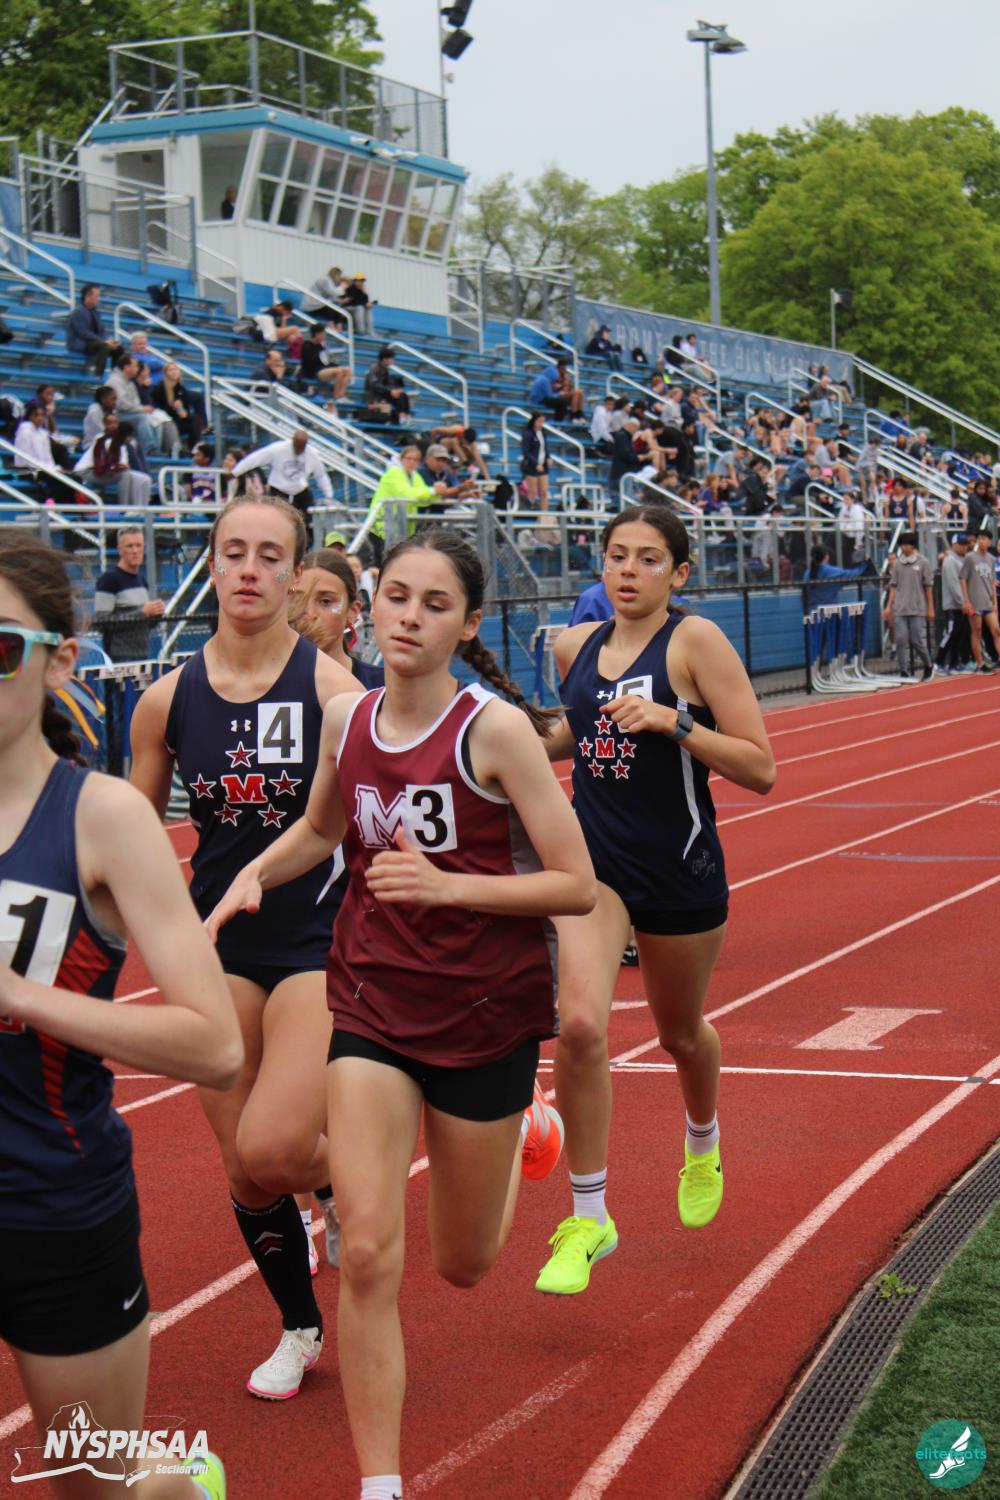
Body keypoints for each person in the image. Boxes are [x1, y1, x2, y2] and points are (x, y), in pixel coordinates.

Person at [206, 527, 595, 1499]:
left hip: (483, 1014)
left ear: (467, 624)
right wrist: (258, 871)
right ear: (371, 605)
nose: (409, 618)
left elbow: (576, 884)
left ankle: (524, 1130)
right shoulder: (349, 720)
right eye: (397, 597)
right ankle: (379, 1483)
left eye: (435, 604)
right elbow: (322, 827)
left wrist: (452, 888)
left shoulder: (492, 731)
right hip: (371, 1001)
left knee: (463, 1262)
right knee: (372, 1252)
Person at [0, 527, 239, 1500]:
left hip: (51, 1204)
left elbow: (216, 1045)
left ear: (60, 660)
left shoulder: (101, 817)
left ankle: (179, 1483)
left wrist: (20, 996)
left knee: (92, 1485)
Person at [129, 495, 361, 1400]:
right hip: (216, 949)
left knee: (273, 1149)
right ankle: (299, 1326)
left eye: (270, 555)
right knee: (244, 1169)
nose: (250, 569)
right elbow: (131, 832)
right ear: (212, 564)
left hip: (315, 941)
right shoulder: (165, 701)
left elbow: (372, 821)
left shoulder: (334, 694)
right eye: (233, 552)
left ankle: (364, 1158)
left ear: (298, 574)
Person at [533, 504, 776, 1296]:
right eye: (616, 556)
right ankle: (589, 1217)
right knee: (578, 1026)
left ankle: (702, 1141)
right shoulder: (574, 645)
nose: (628, 570)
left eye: (647, 558)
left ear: (679, 573)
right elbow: (573, 737)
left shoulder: (694, 642)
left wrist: (674, 722)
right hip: (596, 868)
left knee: (680, 1034)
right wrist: (509, 734)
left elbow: (760, 767)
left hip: (679, 867)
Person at [289, 547, 385, 688]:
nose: (310, 614)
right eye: (298, 600)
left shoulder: (380, 687)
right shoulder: (263, 683)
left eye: (325, 601)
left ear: (352, 611)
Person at [94, 527, 165, 663]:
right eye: (129, 546)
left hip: (143, 653)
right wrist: (141, 612)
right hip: (120, 655)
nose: (135, 551)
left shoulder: (142, 580)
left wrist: (156, 614)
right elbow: (101, 622)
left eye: (138, 545)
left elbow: (145, 624)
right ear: (120, 550)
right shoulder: (109, 579)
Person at [363, 446, 448, 556]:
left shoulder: (414, 476)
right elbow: (406, 494)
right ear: (401, 459)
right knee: (384, 563)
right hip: (383, 528)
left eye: (415, 460)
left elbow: (422, 501)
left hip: (401, 529)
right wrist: (432, 491)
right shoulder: (394, 473)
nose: (412, 462)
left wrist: (436, 494)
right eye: (409, 458)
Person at [231, 430, 333, 518]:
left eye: (301, 448)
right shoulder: (278, 449)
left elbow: (321, 475)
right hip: (278, 491)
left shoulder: (312, 454)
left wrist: (329, 495)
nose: (298, 450)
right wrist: (235, 472)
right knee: (276, 520)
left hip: (300, 492)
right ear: (292, 441)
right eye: (296, 447)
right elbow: (255, 459)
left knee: (308, 522)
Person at [884, 531, 935, 679]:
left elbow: (928, 586)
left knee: (917, 640)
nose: (903, 547)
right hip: (900, 608)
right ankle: (903, 670)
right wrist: (889, 606)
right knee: (901, 639)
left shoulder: (923, 562)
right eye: (902, 545)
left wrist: (930, 608)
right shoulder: (898, 564)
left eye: (906, 544)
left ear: (913, 546)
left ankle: (928, 664)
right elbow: (894, 586)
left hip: (917, 608)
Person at [73, 411, 152, 507]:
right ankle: (124, 507)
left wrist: (122, 466)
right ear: (105, 425)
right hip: (86, 471)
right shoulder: (102, 439)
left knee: (144, 478)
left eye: (115, 423)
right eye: (109, 423)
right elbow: (103, 464)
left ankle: (141, 508)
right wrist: (119, 467)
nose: (113, 425)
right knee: (125, 475)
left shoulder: (120, 441)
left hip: (103, 470)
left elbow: (123, 463)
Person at [960, 530, 1000, 673]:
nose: (981, 541)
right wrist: (966, 601)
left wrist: (995, 602)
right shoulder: (970, 557)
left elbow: (992, 581)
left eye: (984, 539)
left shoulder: (991, 559)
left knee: (996, 630)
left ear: (989, 542)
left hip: (987, 600)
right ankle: (980, 663)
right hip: (975, 600)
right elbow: (963, 578)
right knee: (977, 631)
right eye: (980, 538)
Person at [64, 283, 122, 374]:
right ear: (88, 297)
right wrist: (103, 341)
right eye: (97, 296)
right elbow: (83, 333)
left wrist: (109, 340)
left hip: (94, 342)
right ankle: (98, 374)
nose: (99, 299)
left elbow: (101, 331)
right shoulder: (78, 312)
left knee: (118, 348)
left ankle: (115, 374)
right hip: (81, 343)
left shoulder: (95, 312)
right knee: (103, 346)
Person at [936, 535, 972, 674]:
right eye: (961, 544)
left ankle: (954, 663)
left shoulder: (962, 560)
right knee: (950, 633)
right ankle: (938, 662)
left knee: (959, 634)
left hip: (962, 604)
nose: (964, 547)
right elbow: (953, 584)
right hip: (953, 605)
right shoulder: (950, 561)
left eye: (966, 544)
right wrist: (963, 602)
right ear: (954, 545)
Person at [151, 360, 207, 449]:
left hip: (180, 420)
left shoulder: (180, 388)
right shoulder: (160, 389)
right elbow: (158, 409)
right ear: (165, 373)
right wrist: (172, 407)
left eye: (176, 369)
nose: (174, 372)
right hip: (169, 421)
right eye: (170, 370)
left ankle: (195, 448)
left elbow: (185, 410)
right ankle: (194, 448)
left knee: (195, 421)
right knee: (193, 423)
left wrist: (185, 414)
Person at [298, 325, 353, 403]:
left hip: (323, 368)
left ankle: (341, 395)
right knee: (339, 371)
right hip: (314, 372)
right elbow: (311, 362)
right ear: (317, 334)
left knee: (347, 370)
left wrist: (333, 362)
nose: (324, 336)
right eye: (322, 334)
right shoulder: (307, 345)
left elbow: (325, 361)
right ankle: (336, 396)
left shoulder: (320, 347)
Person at [363, 347, 410, 425]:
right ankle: (401, 417)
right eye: (391, 359)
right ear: (385, 359)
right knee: (399, 396)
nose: (393, 361)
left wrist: (394, 390)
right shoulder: (374, 368)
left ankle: (404, 417)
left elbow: (387, 384)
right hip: (375, 395)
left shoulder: (385, 369)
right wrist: (390, 391)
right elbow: (374, 384)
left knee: (402, 395)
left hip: (382, 393)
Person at [520, 411, 551, 511]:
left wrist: (548, 457)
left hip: (543, 465)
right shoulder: (527, 434)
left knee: (544, 492)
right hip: (531, 466)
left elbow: (544, 448)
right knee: (532, 492)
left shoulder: (543, 433)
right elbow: (526, 452)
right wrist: (536, 463)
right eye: (539, 421)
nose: (541, 424)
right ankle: (529, 512)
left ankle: (544, 514)